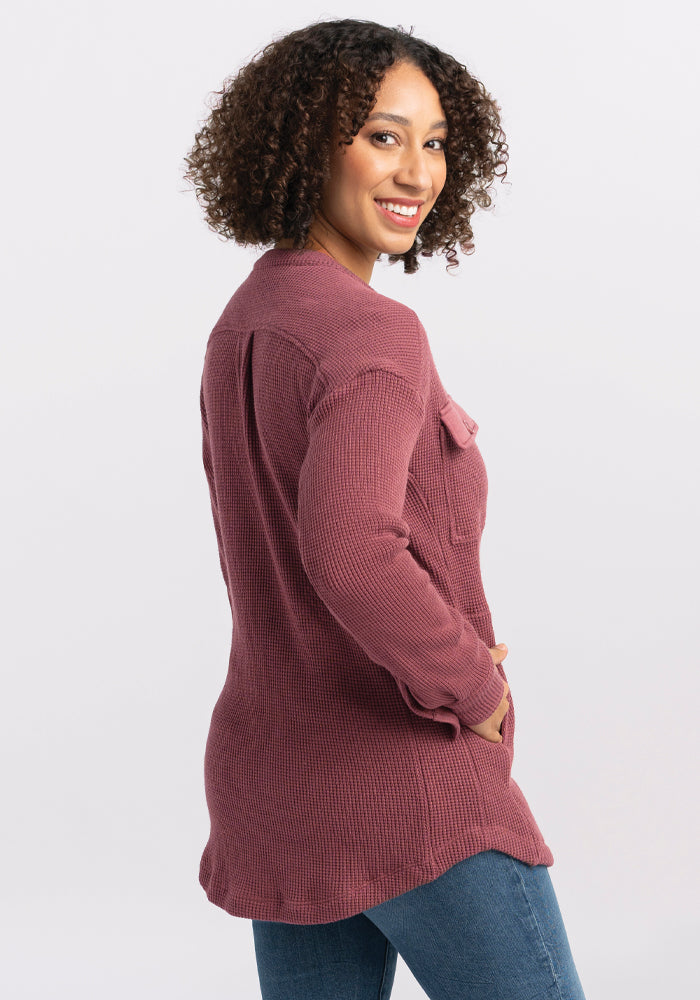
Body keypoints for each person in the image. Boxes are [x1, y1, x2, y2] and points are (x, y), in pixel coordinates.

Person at [183, 18, 587, 1000]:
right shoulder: (374, 333)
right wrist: (475, 691)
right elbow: (353, 554)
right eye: (381, 135)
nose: (415, 171)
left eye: (436, 141)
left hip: (275, 784)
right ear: (304, 141)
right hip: (403, 783)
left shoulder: (247, 319)